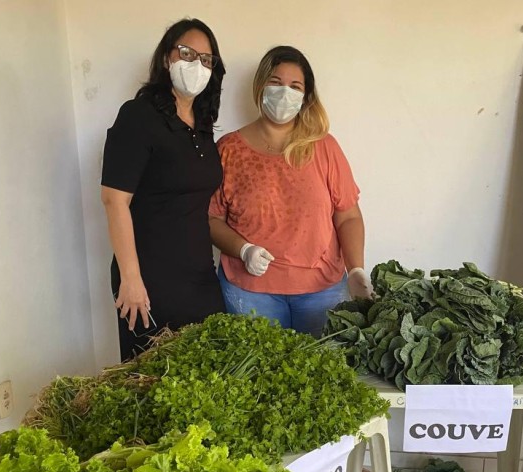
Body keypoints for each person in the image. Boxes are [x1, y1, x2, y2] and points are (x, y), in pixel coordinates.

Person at [209, 45, 372, 338]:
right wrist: (243, 250)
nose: (284, 92)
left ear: (305, 96)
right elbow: (211, 219)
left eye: (295, 86)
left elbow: (347, 215)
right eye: (275, 83)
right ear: (260, 86)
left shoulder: (324, 147)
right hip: (250, 294)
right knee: (257, 378)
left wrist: (356, 268)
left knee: (323, 377)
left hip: (322, 291)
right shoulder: (228, 150)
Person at [101, 18, 227, 361]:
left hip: (200, 276)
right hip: (149, 280)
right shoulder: (137, 117)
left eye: (206, 59)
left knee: (205, 382)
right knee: (151, 386)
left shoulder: (201, 127)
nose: (196, 64)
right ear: (165, 59)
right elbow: (114, 200)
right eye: (187, 53)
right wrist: (131, 279)